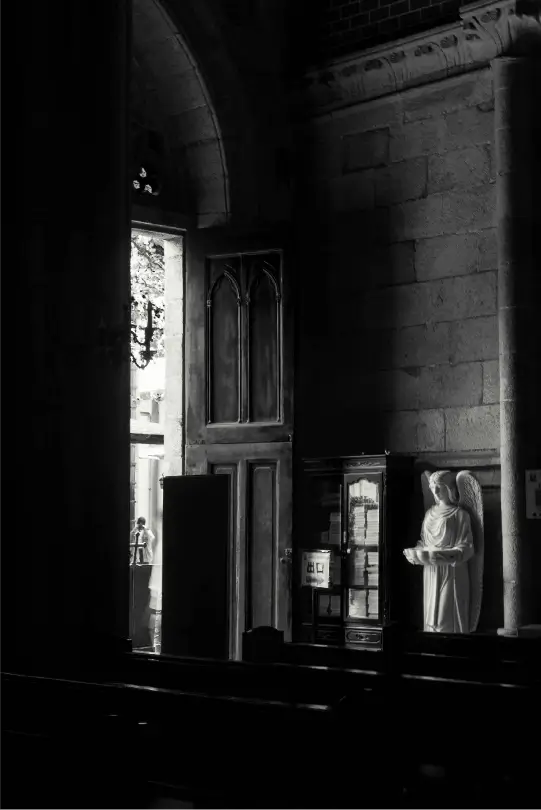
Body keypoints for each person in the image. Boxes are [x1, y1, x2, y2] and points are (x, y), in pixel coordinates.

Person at [404, 470, 474, 633]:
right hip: (431, 571)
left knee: (444, 619)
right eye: (432, 487)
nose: (435, 492)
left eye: (439, 487)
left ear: (449, 489)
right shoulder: (429, 514)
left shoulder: (460, 515)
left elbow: (468, 547)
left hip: (452, 571)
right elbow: (424, 542)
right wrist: (417, 551)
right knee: (430, 619)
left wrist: (451, 555)